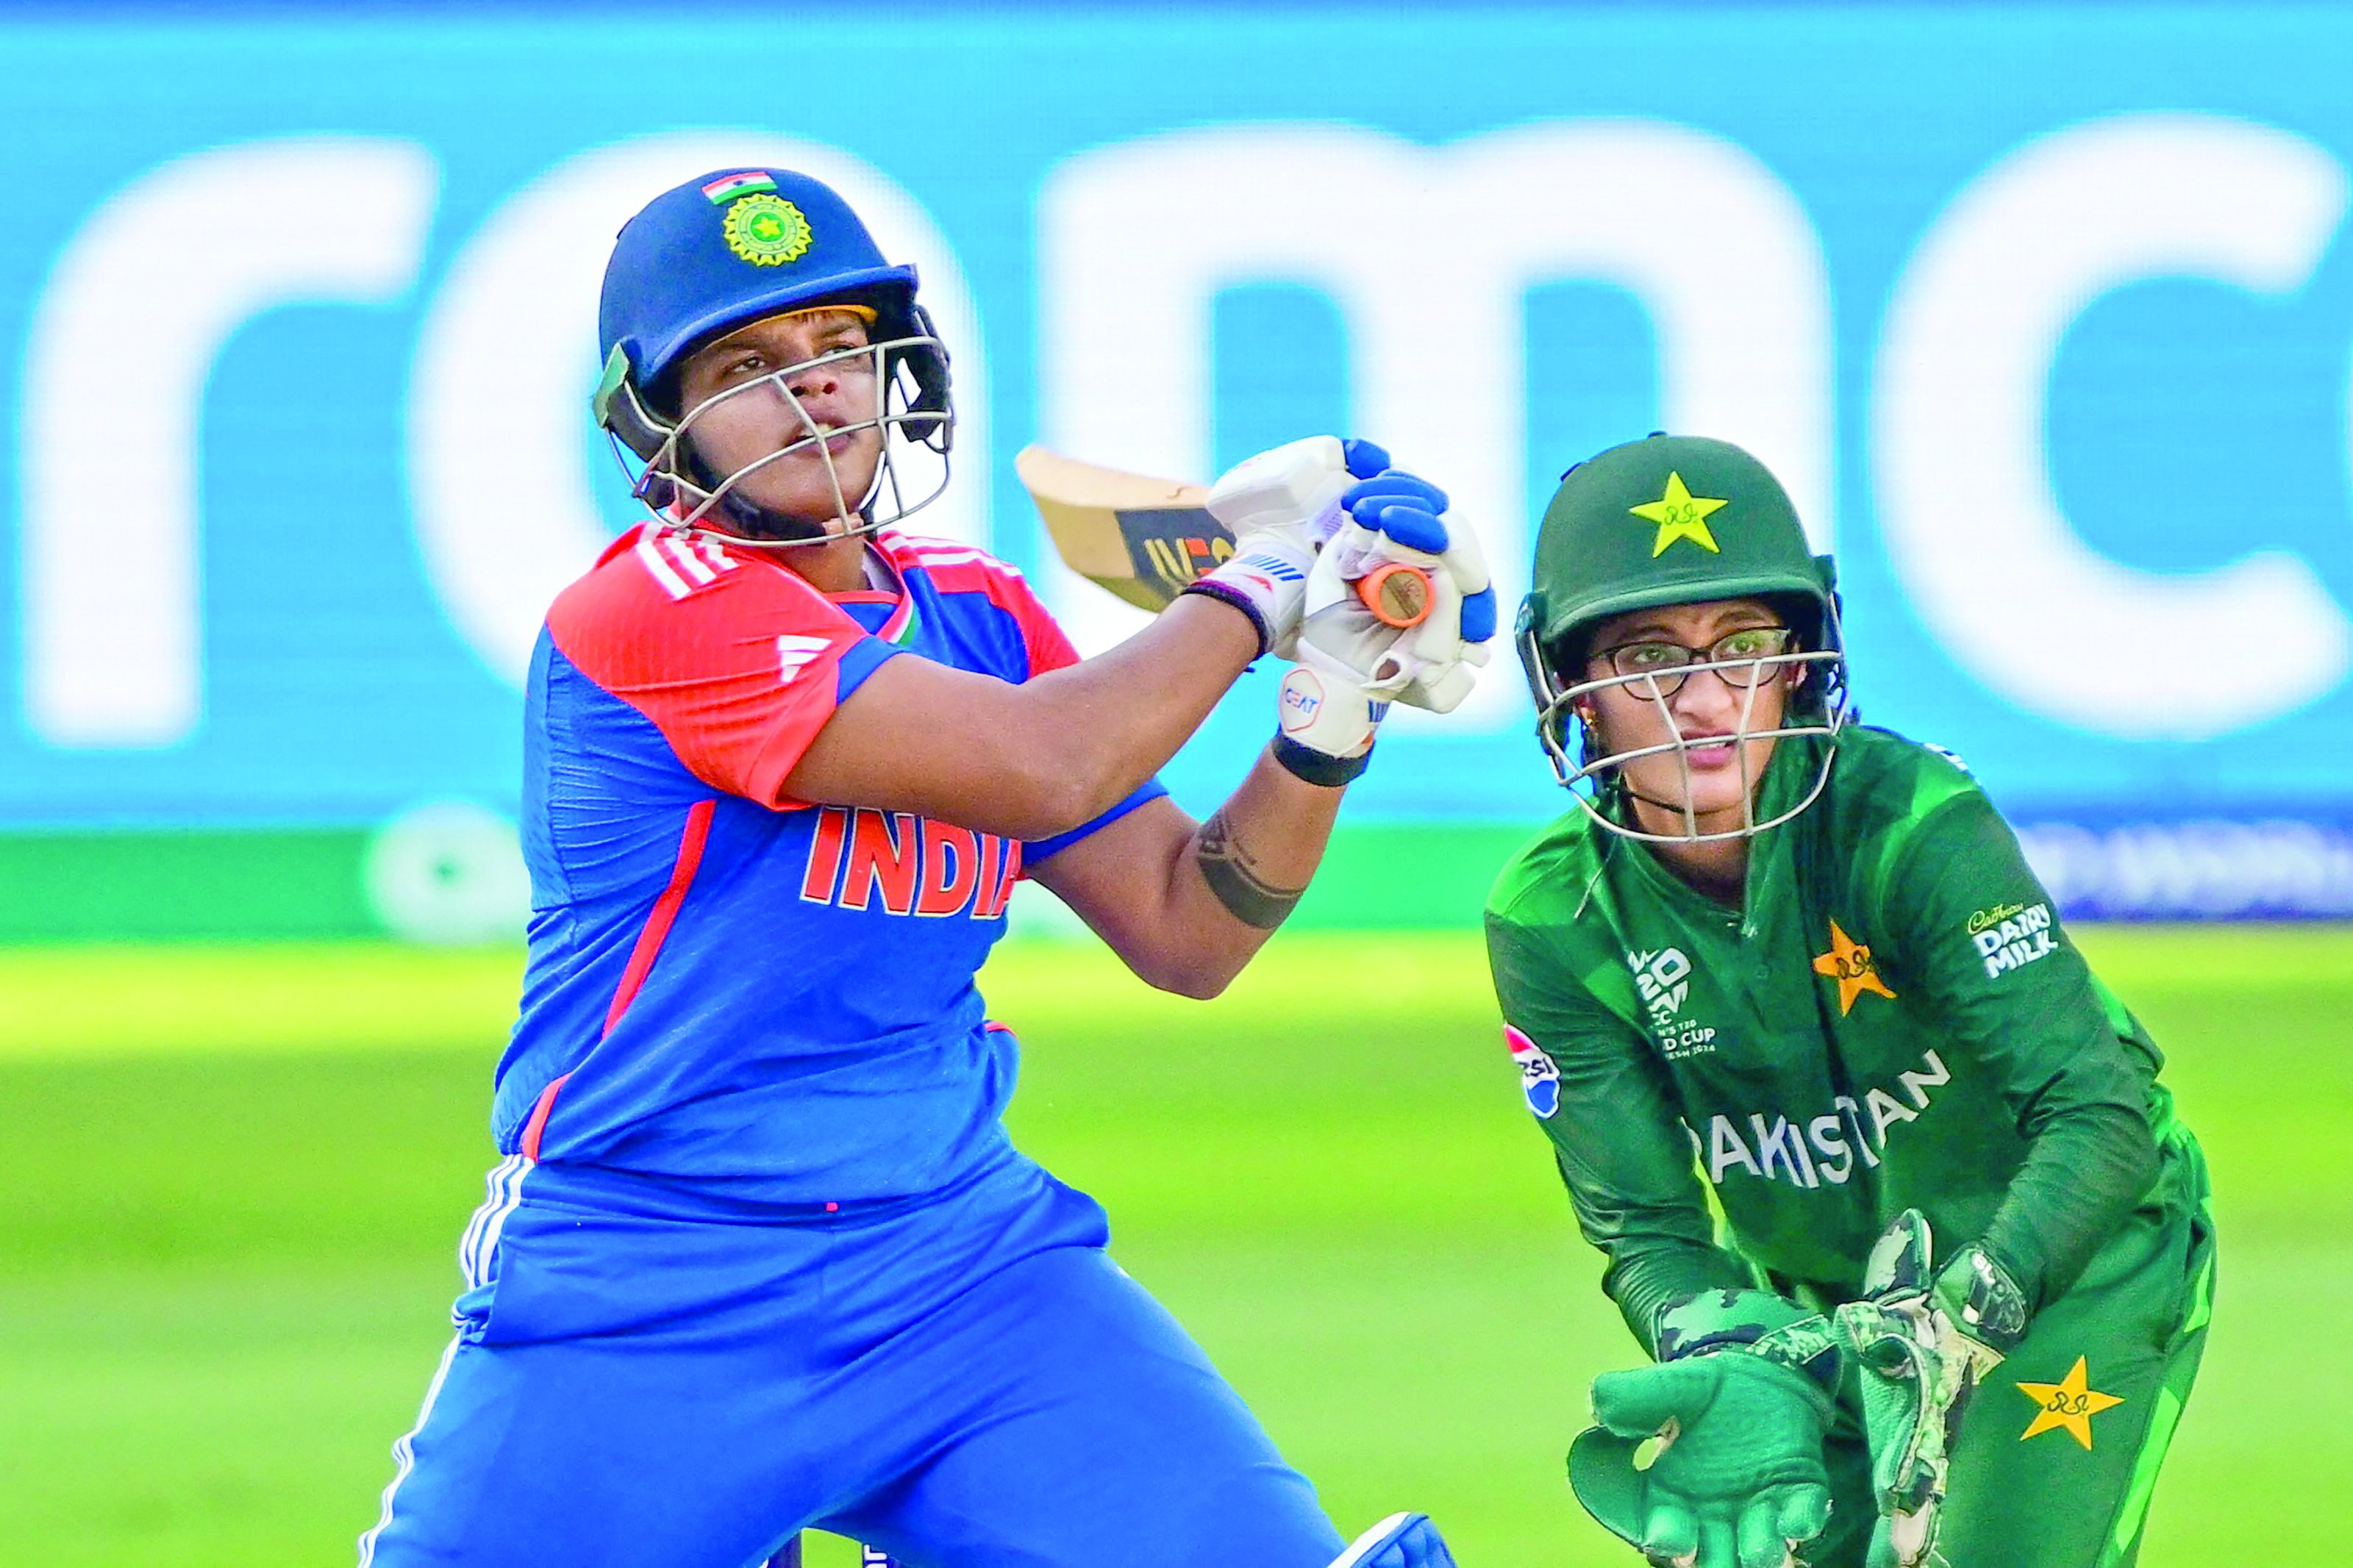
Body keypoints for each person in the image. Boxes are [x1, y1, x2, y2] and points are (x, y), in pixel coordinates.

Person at [352, 165, 1490, 1568]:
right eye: (749, 363)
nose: (814, 388)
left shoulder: (979, 612)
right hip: (651, 1277)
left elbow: (1189, 927)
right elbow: (1043, 768)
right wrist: (1260, 586)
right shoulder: (645, 611)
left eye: (841, 348)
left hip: (958, 1265)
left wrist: (1328, 714)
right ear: (659, 425)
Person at [1485, 434, 2213, 1568]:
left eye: (1742, 646)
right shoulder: (1551, 920)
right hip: (1821, 1315)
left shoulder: (1910, 825)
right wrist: (1735, 1350)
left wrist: (1964, 1319)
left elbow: (2100, 1116)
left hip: (2064, 1265)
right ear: (1574, 692)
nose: (1702, 702)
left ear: (1800, 661)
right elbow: (1648, 1235)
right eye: (1644, 660)